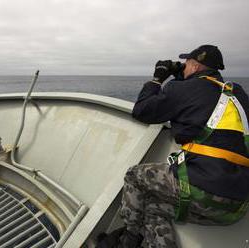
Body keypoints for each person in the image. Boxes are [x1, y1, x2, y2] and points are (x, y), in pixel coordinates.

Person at [97, 45, 249, 248]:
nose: (184, 67)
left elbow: (142, 111)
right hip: (237, 204)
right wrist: (181, 77)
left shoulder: (183, 89)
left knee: (134, 175)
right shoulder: (237, 92)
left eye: (186, 64)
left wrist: (158, 78)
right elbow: (198, 103)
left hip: (203, 189)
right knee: (154, 207)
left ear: (194, 66)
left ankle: (128, 240)